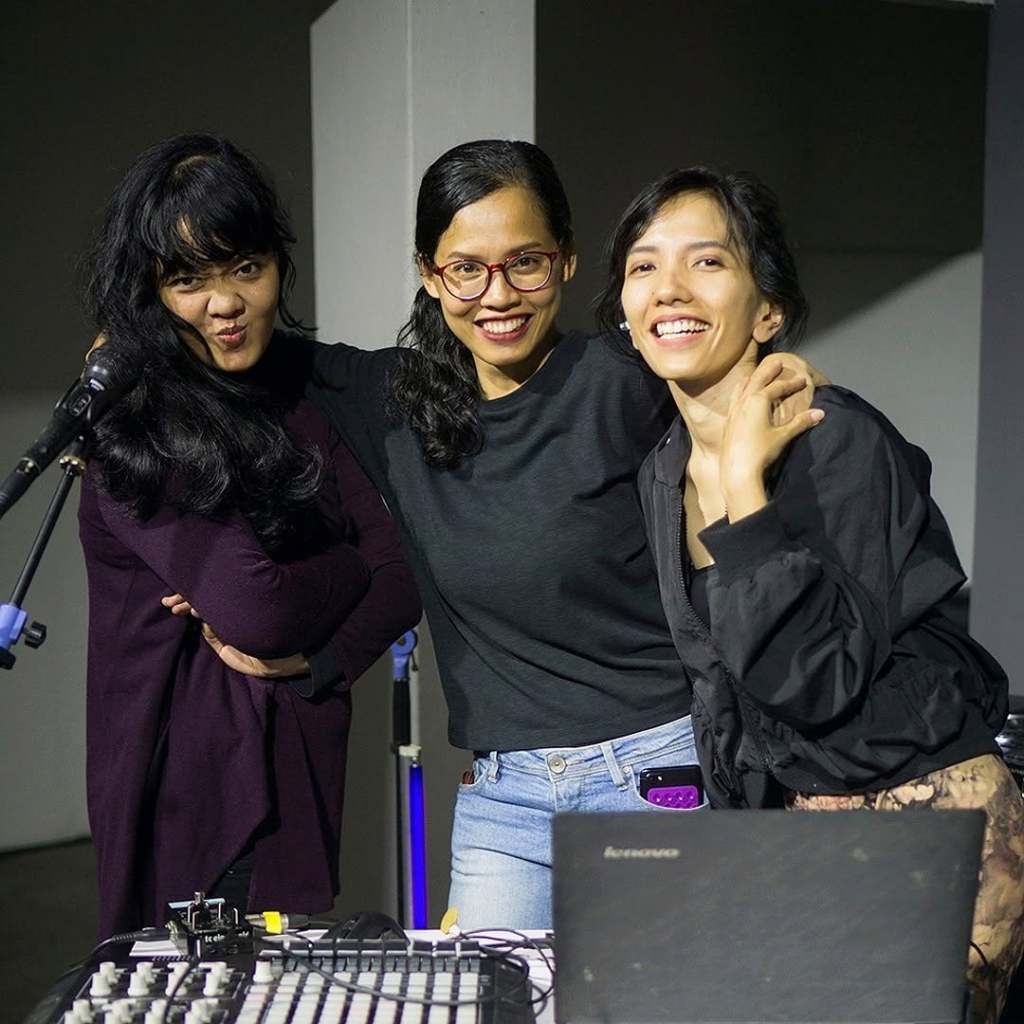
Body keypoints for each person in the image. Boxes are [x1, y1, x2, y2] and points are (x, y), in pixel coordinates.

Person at [219, 139, 823, 930]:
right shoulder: (391, 402)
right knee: (482, 993)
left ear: (565, 260)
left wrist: (783, 390)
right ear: (430, 274)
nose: (497, 294)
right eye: (466, 269)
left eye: (525, 263)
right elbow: (227, 347)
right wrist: (130, 355)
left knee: (647, 991)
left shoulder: (627, 376)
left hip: (655, 773)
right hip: (503, 799)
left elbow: (753, 377)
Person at [599, 165, 1024, 1014]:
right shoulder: (662, 472)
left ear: (768, 312)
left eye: (707, 261)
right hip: (799, 837)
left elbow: (817, 679)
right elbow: (720, 684)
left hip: (925, 825)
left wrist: (745, 493)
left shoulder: (839, 440)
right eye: (644, 266)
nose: (668, 287)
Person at [80, 134, 420, 938]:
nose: (224, 302)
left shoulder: (302, 398)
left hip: (294, 768)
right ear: (151, 291)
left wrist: (320, 654)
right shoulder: (137, 423)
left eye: (245, 267)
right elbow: (259, 611)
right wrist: (346, 562)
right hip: (194, 793)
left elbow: (405, 576)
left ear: (278, 265)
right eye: (188, 279)